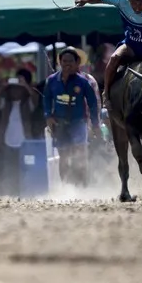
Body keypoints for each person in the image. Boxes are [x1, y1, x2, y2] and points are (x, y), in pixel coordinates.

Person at [42, 48, 101, 186]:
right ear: (60, 62)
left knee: (80, 153)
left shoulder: (84, 81)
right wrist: (48, 116)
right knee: (63, 156)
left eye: (71, 61)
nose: (67, 64)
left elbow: (93, 104)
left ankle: (83, 185)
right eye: (64, 61)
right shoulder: (51, 81)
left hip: (79, 122)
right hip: (60, 123)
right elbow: (46, 99)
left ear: (77, 63)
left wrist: (96, 125)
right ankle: (65, 187)